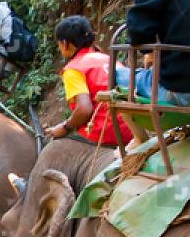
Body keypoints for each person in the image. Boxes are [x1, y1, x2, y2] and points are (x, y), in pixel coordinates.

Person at [44, 15, 133, 146]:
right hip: (131, 129)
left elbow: (84, 110)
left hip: (106, 132)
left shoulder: (73, 69)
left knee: (55, 145)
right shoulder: (108, 59)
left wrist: (65, 127)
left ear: (64, 44)